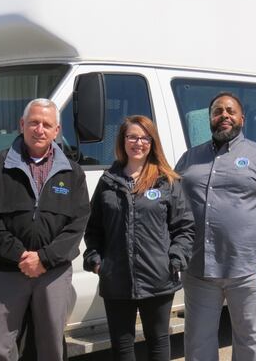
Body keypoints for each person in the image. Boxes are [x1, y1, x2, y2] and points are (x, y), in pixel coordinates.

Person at [175, 92, 256, 361]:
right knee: (197, 342)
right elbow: (173, 205)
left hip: (249, 269)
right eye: (217, 111)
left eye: (230, 111)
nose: (224, 116)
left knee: (251, 340)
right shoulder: (189, 159)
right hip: (199, 269)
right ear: (209, 119)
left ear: (242, 118)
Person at [0, 98, 90, 361]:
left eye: (47, 124)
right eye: (34, 122)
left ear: (57, 131)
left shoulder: (72, 173)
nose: (40, 129)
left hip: (53, 272)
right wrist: (21, 256)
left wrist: (44, 259)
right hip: (7, 270)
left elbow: (76, 226)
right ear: (22, 124)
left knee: (51, 346)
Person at [83, 115, 194, 361]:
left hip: (158, 276)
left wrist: (175, 259)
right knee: (122, 347)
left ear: (152, 142)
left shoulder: (167, 181)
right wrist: (96, 258)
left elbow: (184, 227)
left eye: (145, 138)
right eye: (132, 137)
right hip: (116, 278)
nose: (138, 143)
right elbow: (94, 229)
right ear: (122, 141)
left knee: (158, 342)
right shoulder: (108, 182)